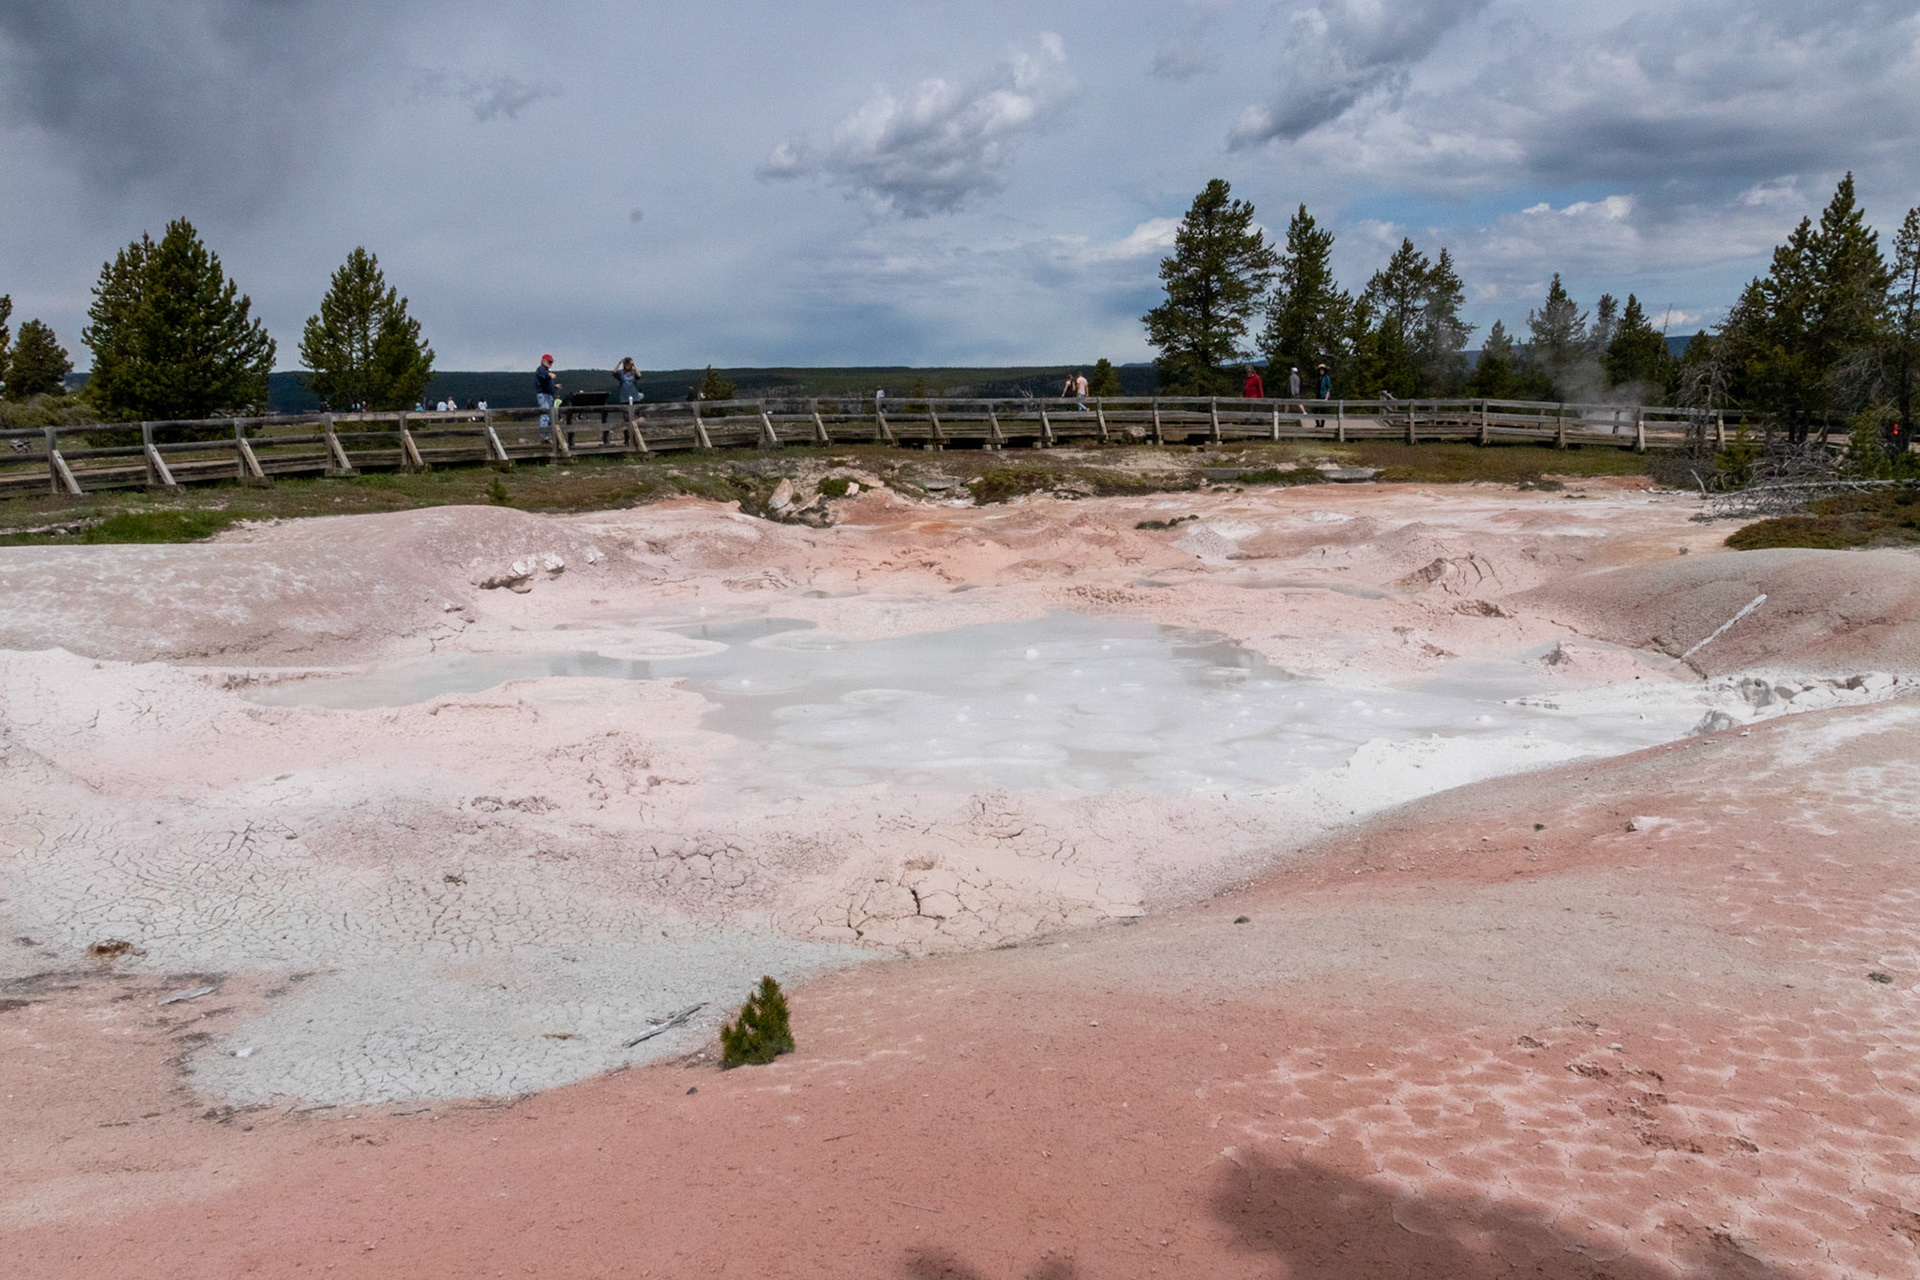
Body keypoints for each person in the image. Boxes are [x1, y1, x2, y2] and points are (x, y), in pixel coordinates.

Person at [535, 354, 560, 442]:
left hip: (548, 394)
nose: (551, 363)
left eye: (551, 362)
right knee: (545, 415)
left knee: (549, 416)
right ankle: (544, 438)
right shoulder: (541, 369)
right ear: (543, 361)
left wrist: (555, 386)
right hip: (544, 395)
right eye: (549, 361)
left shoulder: (545, 370)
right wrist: (550, 374)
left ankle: (547, 436)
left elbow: (545, 380)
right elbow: (544, 375)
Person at [1315, 363, 1331, 428]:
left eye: (1322, 370)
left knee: (1323, 411)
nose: (1321, 371)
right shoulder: (1319, 378)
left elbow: (1328, 388)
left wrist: (1326, 398)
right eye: (1320, 370)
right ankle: (1318, 424)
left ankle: (1322, 425)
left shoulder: (1327, 378)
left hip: (1324, 395)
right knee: (1315, 411)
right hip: (1318, 395)